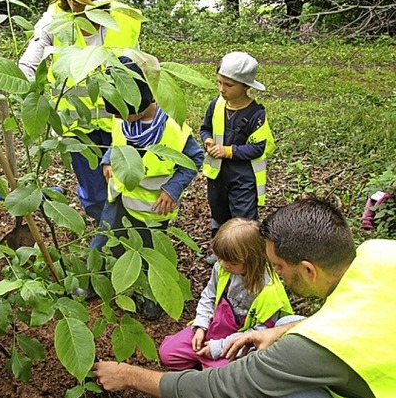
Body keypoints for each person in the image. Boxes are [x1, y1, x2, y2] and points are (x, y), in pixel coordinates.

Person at [94, 199, 396, 398]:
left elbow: (219, 387)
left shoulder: (320, 340)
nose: (275, 273)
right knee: (291, 322)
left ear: (308, 270)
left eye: (279, 267)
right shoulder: (379, 252)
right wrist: (279, 330)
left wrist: (129, 375)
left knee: (270, 396)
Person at [18, 0, 143, 223]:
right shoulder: (54, 18)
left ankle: (124, 231)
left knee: (124, 182)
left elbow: (138, 71)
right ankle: (105, 232)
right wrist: (37, 106)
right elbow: (27, 64)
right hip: (77, 127)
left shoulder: (124, 19)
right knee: (94, 196)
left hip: (119, 122)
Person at [88, 58, 203, 318]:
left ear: (139, 104)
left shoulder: (172, 129)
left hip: (151, 207)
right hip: (118, 197)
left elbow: (194, 159)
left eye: (120, 111)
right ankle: (94, 281)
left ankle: (154, 295)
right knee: (105, 239)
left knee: (151, 253)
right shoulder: (124, 120)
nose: (116, 117)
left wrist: (172, 189)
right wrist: (108, 159)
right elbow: (116, 142)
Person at [158, 218, 293, 370]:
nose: (224, 264)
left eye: (232, 262)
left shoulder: (269, 291)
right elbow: (208, 296)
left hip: (239, 340)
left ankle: (208, 365)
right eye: (221, 258)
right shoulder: (223, 267)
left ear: (253, 260)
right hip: (214, 326)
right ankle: (204, 361)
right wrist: (201, 326)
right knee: (167, 353)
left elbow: (260, 333)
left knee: (218, 379)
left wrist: (218, 347)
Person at [200, 51, 276, 261]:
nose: (222, 89)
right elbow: (205, 128)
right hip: (218, 175)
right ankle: (221, 251)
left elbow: (259, 147)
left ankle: (247, 255)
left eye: (229, 85)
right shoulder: (216, 105)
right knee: (219, 213)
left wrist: (228, 151)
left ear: (246, 86)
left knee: (243, 218)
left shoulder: (256, 115)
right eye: (219, 83)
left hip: (243, 177)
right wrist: (207, 141)